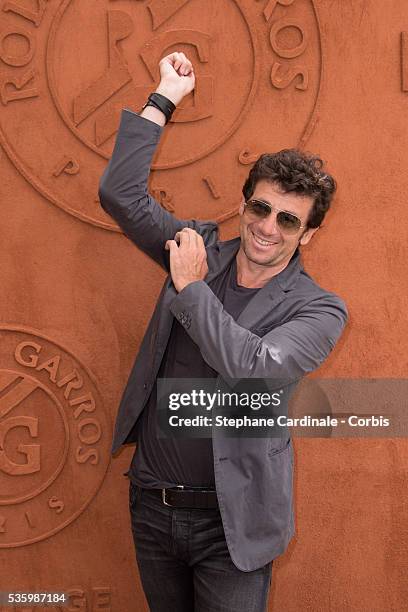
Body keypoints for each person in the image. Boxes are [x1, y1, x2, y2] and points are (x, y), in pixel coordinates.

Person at [98, 52, 348, 612]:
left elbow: (255, 366)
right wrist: (164, 96)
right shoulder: (197, 248)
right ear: (243, 203)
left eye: (288, 219)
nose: (267, 227)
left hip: (232, 525)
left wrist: (191, 292)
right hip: (153, 505)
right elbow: (121, 196)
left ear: (308, 235)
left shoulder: (320, 309)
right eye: (261, 208)